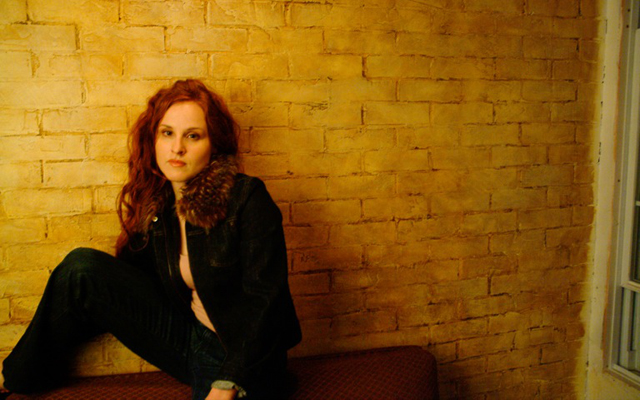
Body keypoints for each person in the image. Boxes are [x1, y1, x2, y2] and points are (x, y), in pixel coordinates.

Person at [0, 79, 302, 400]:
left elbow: (265, 301)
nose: (177, 148)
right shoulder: (160, 209)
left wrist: (227, 382)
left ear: (214, 144)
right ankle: (15, 380)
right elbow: (131, 284)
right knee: (81, 269)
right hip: (189, 338)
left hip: (237, 354)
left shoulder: (246, 198)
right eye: (167, 133)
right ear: (154, 139)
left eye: (193, 136)